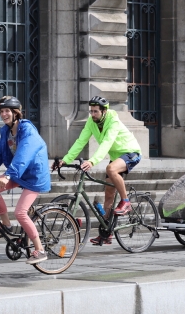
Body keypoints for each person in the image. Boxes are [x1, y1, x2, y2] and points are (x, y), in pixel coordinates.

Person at [0, 96, 51, 264]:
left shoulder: (27, 130)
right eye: (1, 111)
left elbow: (24, 154)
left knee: (20, 212)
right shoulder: (5, 132)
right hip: (18, 173)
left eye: (7, 111)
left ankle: (40, 249)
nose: (4, 114)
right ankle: (6, 225)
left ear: (16, 113)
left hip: (34, 175)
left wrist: (7, 175)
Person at [52, 96, 141, 245]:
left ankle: (126, 202)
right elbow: (80, 141)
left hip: (130, 152)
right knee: (108, 195)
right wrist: (65, 160)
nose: (92, 114)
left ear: (104, 111)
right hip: (116, 156)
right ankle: (107, 232)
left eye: (95, 111)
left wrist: (93, 161)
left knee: (111, 169)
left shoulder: (113, 121)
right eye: (91, 111)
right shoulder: (91, 122)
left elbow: (107, 143)